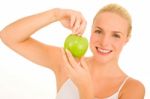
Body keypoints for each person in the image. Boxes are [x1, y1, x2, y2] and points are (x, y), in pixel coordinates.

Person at [0, 3, 145, 99]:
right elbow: (9, 36)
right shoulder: (67, 62)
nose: (104, 42)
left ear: (127, 39)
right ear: (91, 31)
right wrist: (56, 14)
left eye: (116, 35)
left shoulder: (132, 89)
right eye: (99, 31)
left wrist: (85, 87)